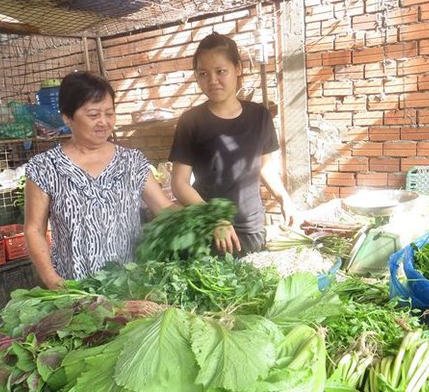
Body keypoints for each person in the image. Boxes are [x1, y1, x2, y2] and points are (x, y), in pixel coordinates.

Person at [24, 71, 177, 289]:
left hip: (131, 285)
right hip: (75, 288)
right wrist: (52, 279)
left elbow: (164, 209)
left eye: (109, 113)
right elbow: (34, 230)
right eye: (93, 115)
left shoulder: (132, 162)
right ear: (67, 117)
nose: (104, 122)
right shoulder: (45, 167)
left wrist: (205, 218)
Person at [169, 32, 295, 257]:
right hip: (207, 230)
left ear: (237, 68)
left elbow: (265, 167)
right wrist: (212, 217)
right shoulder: (191, 121)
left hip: (249, 228)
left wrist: (284, 198)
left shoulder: (260, 116)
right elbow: (179, 183)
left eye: (220, 71)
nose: (212, 81)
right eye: (203, 74)